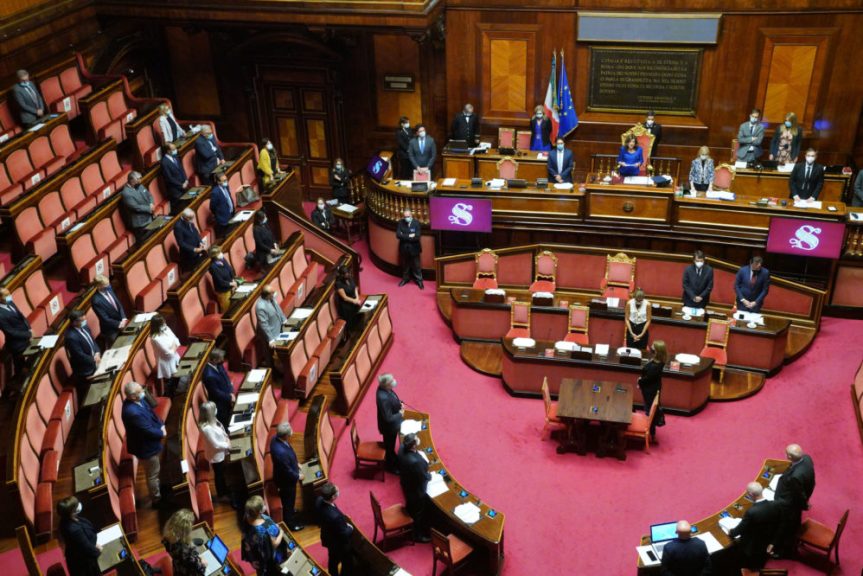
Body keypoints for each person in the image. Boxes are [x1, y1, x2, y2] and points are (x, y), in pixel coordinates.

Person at [121, 381, 166, 507]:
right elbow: (147, 431)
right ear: (133, 396)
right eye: (140, 391)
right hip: (145, 447)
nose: (143, 393)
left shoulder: (137, 400)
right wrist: (161, 433)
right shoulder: (132, 412)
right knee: (152, 474)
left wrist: (161, 424)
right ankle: (157, 500)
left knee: (155, 470)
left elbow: (152, 413)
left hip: (150, 441)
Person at [769, 444, 816, 558]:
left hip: (790, 505)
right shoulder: (807, 458)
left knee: (787, 527)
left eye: (786, 454)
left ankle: (785, 551)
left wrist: (804, 504)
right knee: (792, 524)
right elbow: (811, 482)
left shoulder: (796, 477)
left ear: (789, 456)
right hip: (797, 498)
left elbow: (798, 494)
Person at [728, 482, 780, 571]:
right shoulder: (774, 505)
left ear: (751, 494)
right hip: (767, 542)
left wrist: (731, 532)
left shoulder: (751, 512)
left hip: (751, 547)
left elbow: (740, 529)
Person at [270, 423, 304, 531]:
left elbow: (289, 454)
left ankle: (290, 511)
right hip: (286, 482)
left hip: (282, 475)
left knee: (288, 501)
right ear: (285, 436)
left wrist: (296, 463)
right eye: (289, 435)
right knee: (288, 501)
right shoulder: (281, 453)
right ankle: (290, 524)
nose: (291, 436)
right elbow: (287, 471)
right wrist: (297, 476)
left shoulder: (275, 438)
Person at [241, 496, 287, 576]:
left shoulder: (246, 518)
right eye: (264, 505)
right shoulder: (265, 531)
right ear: (259, 511)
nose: (265, 505)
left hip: (256, 558)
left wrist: (252, 560)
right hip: (269, 561)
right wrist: (281, 533)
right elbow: (274, 544)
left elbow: (244, 539)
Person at [316, 482, 354, 576]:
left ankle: (333, 573)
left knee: (332, 559)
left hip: (328, 537)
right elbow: (344, 533)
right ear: (333, 497)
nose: (338, 491)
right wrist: (350, 528)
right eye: (337, 491)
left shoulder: (319, 500)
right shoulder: (335, 517)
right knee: (348, 563)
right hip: (339, 544)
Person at [399, 433, 431, 542]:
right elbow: (423, 477)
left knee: (410, 506)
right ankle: (418, 535)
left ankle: (409, 517)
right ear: (413, 445)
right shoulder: (415, 463)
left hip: (406, 485)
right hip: (416, 492)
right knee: (418, 514)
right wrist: (429, 476)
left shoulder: (401, 449)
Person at [199, 401, 233, 504]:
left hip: (221, 451)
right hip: (215, 455)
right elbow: (216, 444)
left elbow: (221, 430)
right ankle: (221, 495)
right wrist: (228, 445)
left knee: (222, 472)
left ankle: (225, 489)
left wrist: (226, 437)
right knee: (219, 474)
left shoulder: (214, 420)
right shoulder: (206, 429)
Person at [57, 496, 102, 576]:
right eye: (76, 505)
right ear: (71, 512)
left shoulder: (66, 519)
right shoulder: (73, 530)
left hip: (78, 554)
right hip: (84, 564)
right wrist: (97, 550)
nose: (79, 505)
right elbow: (86, 548)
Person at [0, 287, 33, 386]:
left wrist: (29, 328)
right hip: (16, 344)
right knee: (20, 367)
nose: (10, 296)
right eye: (6, 295)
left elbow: (21, 316)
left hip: (25, 337)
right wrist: (28, 334)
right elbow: (11, 332)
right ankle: (21, 383)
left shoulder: (10, 303)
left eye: (9, 293)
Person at [162, 509, 207, 576]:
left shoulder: (167, 539)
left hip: (177, 569)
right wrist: (203, 562)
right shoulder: (186, 552)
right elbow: (200, 570)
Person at [65, 309, 101, 391]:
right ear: (74, 322)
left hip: (95, 361)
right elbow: (79, 355)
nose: (85, 321)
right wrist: (94, 360)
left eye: (85, 319)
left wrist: (97, 352)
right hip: (86, 370)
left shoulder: (84, 327)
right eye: (83, 320)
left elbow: (93, 341)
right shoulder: (71, 337)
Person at [376, 373, 404, 474]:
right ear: (386, 384)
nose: (394, 381)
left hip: (392, 425)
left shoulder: (385, 389)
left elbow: (392, 397)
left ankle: (392, 457)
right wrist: (400, 414)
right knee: (389, 446)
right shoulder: (382, 397)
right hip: (389, 428)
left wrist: (398, 403)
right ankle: (390, 466)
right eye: (391, 381)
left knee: (390, 446)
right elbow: (387, 418)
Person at [638, 340, 666, 435]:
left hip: (650, 391)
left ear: (657, 351)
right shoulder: (657, 362)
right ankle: (650, 430)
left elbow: (648, 378)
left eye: (653, 347)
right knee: (649, 409)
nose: (651, 348)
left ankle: (650, 431)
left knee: (649, 410)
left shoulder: (656, 366)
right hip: (650, 388)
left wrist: (640, 381)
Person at [203, 348, 235, 430]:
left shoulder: (218, 364)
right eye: (220, 359)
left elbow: (226, 376)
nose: (223, 360)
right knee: (225, 421)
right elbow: (216, 393)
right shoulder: (209, 375)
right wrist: (229, 397)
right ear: (214, 360)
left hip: (227, 394)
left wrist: (231, 391)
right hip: (220, 403)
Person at [92, 275, 127, 346]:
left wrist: (123, 318)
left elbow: (118, 304)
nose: (108, 286)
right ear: (99, 286)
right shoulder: (96, 300)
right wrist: (119, 324)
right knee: (116, 347)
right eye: (105, 285)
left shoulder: (109, 289)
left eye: (108, 284)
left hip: (121, 321)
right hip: (111, 330)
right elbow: (105, 319)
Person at [150, 314, 181, 396]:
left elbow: (177, 340)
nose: (165, 324)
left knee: (178, 376)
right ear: (157, 326)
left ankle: (176, 391)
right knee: (171, 381)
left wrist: (172, 347)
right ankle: (170, 395)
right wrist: (173, 346)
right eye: (162, 323)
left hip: (175, 357)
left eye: (164, 322)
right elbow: (169, 354)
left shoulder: (166, 328)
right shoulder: (155, 338)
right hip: (166, 362)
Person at [120, 171, 155, 242]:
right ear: (132, 180)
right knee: (146, 242)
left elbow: (149, 195)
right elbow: (136, 207)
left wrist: (151, 203)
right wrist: (149, 208)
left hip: (149, 217)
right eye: (138, 179)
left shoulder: (140, 186)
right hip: (140, 224)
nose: (140, 180)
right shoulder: (126, 193)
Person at [396, 208, 423, 289]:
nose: (406, 218)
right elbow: (398, 235)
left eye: (408, 216)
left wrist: (404, 235)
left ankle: (419, 281)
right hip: (404, 248)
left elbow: (417, 237)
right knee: (405, 265)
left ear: (411, 215)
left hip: (414, 249)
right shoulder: (401, 223)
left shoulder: (416, 223)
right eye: (405, 216)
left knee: (417, 266)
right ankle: (405, 279)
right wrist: (409, 236)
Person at [256, 285, 287, 351]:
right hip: (272, 333)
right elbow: (264, 325)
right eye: (273, 292)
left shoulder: (271, 298)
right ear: (268, 295)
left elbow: (278, 309)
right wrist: (271, 339)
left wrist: (284, 320)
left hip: (279, 327)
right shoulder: (260, 307)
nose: (275, 293)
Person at [160, 142, 189, 215]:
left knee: (187, 205)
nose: (175, 150)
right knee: (179, 209)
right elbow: (169, 178)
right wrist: (180, 185)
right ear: (168, 151)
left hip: (183, 185)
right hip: (175, 190)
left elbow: (181, 169)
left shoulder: (175, 157)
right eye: (173, 149)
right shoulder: (164, 162)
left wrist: (185, 180)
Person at [208, 246, 236, 311]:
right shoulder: (213, 267)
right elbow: (220, 281)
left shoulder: (223, 259)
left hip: (231, 286)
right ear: (214, 256)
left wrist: (233, 280)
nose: (221, 253)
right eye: (219, 253)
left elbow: (230, 269)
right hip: (223, 292)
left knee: (234, 307)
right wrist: (231, 284)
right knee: (227, 310)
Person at [335, 265, 362, 330]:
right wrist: (354, 301)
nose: (347, 275)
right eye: (345, 274)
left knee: (360, 315)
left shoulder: (350, 278)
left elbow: (355, 288)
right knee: (352, 321)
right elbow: (345, 297)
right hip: (346, 305)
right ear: (342, 275)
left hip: (355, 300)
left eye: (348, 273)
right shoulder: (338, 284)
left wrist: (357, 298)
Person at [210, 172, 235, 237]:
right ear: (218, 182)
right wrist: (219, 214)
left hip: (231, 214)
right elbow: (212, 207)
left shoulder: (226, 186)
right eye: (224, 181)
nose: (226, 182)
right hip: (223, 220)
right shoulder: (215, 192)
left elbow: (229, 197)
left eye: (226, 180)